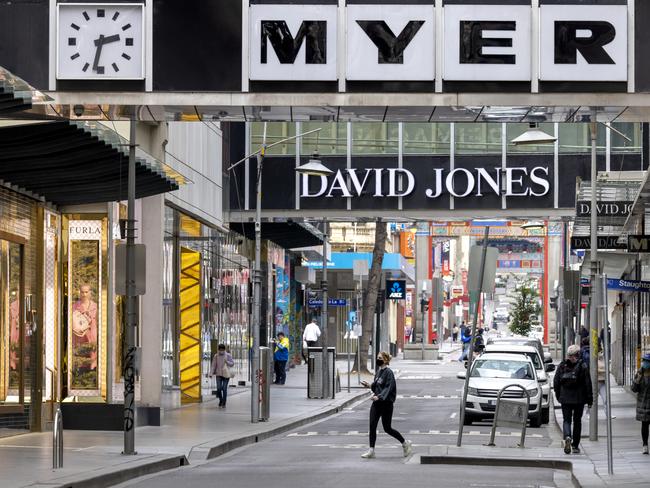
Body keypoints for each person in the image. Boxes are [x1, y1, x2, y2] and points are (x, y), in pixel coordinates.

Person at [360, 352, 412, 459]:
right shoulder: (378, 372)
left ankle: (404, 443)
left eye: (380, 358)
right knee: (372, 425)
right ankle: (371, 450)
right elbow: (377, 386)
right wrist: (369, 385)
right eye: (377, 357)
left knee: (387, 428)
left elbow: (388, 388)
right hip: (376, 403)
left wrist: (379, 396)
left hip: (386, 404)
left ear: (385, 360)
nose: (377, 359)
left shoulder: (389, 373)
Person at [554, 344, 592, 454]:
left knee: (566, 420)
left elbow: (556, 382)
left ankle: (567, 437)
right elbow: (587, 384)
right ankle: (575, 446)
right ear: (578, 354)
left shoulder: (562, 366)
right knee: (577, 421)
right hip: (579, 399)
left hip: (565, 398)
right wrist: (590, 399)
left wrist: (558, 396)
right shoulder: (583, 366)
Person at [71, 284, 98, 371]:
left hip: (91, 334)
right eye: (82, 292)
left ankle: (92, 368)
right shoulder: (75, 306)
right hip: (79, 334)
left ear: (90, 292)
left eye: (86, 292)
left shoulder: (95, 306)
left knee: (92, 353)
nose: (84, 294)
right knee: (81, 355)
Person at [631, 353, 650, 455]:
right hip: (643, 404)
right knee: (645, 426)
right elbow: (634, 389)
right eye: (644, 361)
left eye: (647, 361)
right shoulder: (640, 373)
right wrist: (637, 381)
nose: (645, 363)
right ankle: (645, 445)